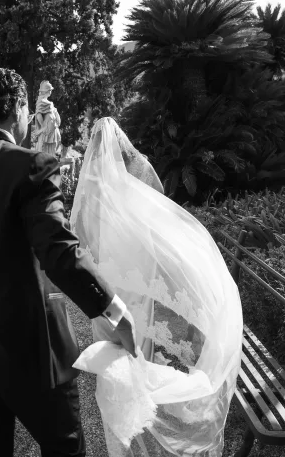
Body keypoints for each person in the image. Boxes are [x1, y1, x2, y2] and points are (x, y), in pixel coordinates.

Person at [0, 70, 137, 457]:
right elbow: (58, 249)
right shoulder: (34, 165)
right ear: (20, 108)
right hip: (32, 348)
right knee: (63, 448)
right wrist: (113, 309)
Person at [71, 117, 243, 457]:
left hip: (109, 261)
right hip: (134, 256)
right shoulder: (140, 167)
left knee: (109, 318)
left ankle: (117, 383)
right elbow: (160, 201)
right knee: (135, 315)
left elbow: (81, 225)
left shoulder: (90, 177)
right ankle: (139, 374)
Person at [34, 80, 61, 156]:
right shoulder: (41, 101)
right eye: (50, 90)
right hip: (46, 130)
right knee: (44, 148)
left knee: (53, 146)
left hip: (53, 129)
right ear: (47, 91)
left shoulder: (49, 102)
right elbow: (38, 114)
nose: (50, 92)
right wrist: (43, 126)